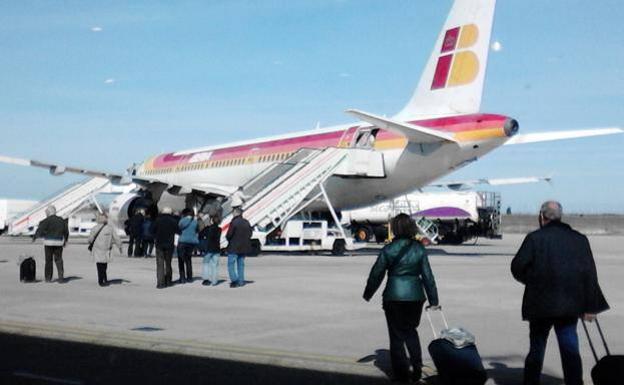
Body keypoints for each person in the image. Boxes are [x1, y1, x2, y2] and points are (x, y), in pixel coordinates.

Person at [511, 201, 609, 385]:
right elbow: (589, 273)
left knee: (536, 349)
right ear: (560, 217)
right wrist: (591, 307)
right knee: (570, 348)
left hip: (541, 305)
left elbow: (517, 267)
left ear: (542, 217)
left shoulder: (535, 238)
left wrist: (533, 281)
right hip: (569, 306)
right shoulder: (579, 239)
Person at [363, 213, 439, 383]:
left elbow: (376, 273)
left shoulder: (389, 249)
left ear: (395, 228)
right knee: (411, 331)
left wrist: (368, 293)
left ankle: (401, 375)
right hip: (415, 297)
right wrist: (434, 300)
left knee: (396, 336)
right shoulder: (419, 249)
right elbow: (428, 276)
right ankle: (417, 368)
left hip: (393, 296)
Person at [34, 205, 69, 283]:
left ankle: (48, 278)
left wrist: (35, 237)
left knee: (48, 260)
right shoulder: (61, 220)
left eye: (46, 212)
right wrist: (65, 240)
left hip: (48, 243)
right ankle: (61, 277)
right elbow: (66, 231)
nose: (46, 214)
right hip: (59, 243)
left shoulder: (45, 221)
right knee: (59, 259)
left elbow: (40, 230)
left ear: (49, 212)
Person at [87, 213, 122, 287]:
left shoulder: (94, 228)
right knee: (104, 265)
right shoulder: (110, 228)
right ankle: (104, 278)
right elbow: (116, 238)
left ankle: (101, 280)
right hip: (106, 250)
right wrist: (120, 246)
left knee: (99, 265)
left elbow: (90, 240)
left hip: (97, 250)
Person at [151, 207, 178, 288]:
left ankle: (160, 283)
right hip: (169, 245)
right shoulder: (173, 221)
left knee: (160, 264)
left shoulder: (157, 220)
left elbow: (151, 230)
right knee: (168, 263)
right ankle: (168, 281)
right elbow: (178, 231)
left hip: (159, 244)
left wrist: (156, 235)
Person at [226, 206, 252, 288]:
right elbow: (250, 234)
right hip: (244, 246)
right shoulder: (246, 222)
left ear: (237, 213)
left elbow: (229, 235)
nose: (232, 214)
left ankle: (234, 280)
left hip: (234, 246)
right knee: (241, 265)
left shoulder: (234, 222)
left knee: (231, 264)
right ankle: (241, 281)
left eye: (233, 212)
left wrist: (228, 239)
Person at [177, 208, 199, 283]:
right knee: (188, 260)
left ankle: (182, 278)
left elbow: (179, 228)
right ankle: (189, 277)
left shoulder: (182, 220)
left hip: (182, 241)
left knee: (181, 260)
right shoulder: (195, 222)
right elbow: (197, 230)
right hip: (191, 242)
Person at [200, 214, 222, 286]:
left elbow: (201, 235)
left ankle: (206, 279)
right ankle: (214, 280)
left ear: (211, 221)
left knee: (206, 264)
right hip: (217, 248)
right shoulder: (219, 229)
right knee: (215, 265)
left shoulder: (208, 228)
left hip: (209, 248)